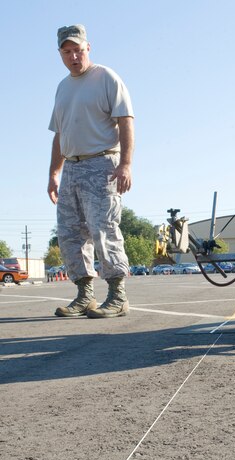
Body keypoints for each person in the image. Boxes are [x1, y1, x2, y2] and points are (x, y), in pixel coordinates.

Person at [47, 24, 134, 318]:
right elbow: (60, 135)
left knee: (104, 229)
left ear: (88, 48)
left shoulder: (106, 78)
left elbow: (126, 121)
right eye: (67, 51)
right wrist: (53, 174)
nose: (73, 56)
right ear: (60, 53)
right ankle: (85, 295)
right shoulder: (62, 87)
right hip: (71, 167)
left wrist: (125, 164)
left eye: (78, 50)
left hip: (102, 164)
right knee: (70, 234)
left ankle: (118, 295)